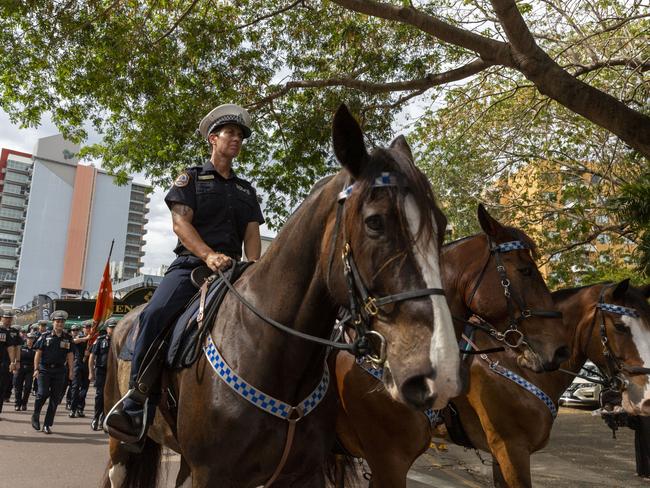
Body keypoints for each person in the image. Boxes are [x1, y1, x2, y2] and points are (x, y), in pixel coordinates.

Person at [105, 103, 264, 443]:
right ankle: (137, 400)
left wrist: (253, 267)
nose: (236, 139)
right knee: (154, 315)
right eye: (230, 134)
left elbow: (252, 234)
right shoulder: (190, 178)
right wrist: (208, 255)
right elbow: (180, 224)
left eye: (240, 135)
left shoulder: (246, 190)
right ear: (213, 139)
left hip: (235, 271)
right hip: (192, 267)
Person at [31, 310, 74, 434]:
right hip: (45, 369)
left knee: (55, 399)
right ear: (53, 323)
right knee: (42, 394)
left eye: (62, 322)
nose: (60, 324)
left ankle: (47, 424)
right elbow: (38, 354)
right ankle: (36, 414)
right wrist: (36, 369)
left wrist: (71, 371)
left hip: (60, 371)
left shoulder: (67, 338)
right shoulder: (45, 336)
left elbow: (70, 355)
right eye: (57, 321)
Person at [89, 318, 117, 430]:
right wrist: (91, 372)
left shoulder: (120, 340)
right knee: (100, 396)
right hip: (101, 371)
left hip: (114, 372)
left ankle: (104, 419)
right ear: (107, 328)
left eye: (115, 327)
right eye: (111, 327)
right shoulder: (100, 340)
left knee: (111, 396)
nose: (113, 329)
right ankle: (96, 418)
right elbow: (92, 357)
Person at [0, 310, 21, 418]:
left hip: (5, 363)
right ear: (1, 318)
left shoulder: (12, 332)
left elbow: (14, 347)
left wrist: (15, 361)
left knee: (2, 387)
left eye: (10, 318)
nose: (8, 320)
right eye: (6, 318)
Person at [69, 321, 91, 418]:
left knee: (84, 389)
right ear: (83, 329)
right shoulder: (79, 336)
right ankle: (73, 409)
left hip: (87, 366)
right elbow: (74, 341)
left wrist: (88, 352)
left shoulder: (92, 339)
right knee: (75, 387)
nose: (87, 329)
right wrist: (86, 338)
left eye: (89, 327)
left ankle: (80, 408)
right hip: (77, 364)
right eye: (86, 327)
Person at [14, 332, 36, 410]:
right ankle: (17, 404)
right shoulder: (21, 347)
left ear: (34, 340)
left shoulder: (36, 348)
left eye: (32, 338)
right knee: (18, 387)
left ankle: (24, 403)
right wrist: (15, 366)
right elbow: (16, 356)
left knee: (28, 387)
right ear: (26, 339)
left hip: (30, 369)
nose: (30, 340)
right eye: (29, 338)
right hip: (20, 368)